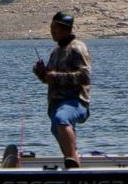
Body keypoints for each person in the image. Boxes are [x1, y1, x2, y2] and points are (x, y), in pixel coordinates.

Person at [30, 11, 92, 168]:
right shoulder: (55, 52)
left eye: (55, 28)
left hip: (75, 102)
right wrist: (41, 73)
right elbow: (48, 79)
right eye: (51, 27)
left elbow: (85, 76)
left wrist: (55, 76)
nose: (51, 31)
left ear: (66, 29)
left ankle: (71, 159)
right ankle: (74, 161)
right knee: (56, 127)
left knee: (61, 119)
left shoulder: (78, 48)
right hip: (55, 104)